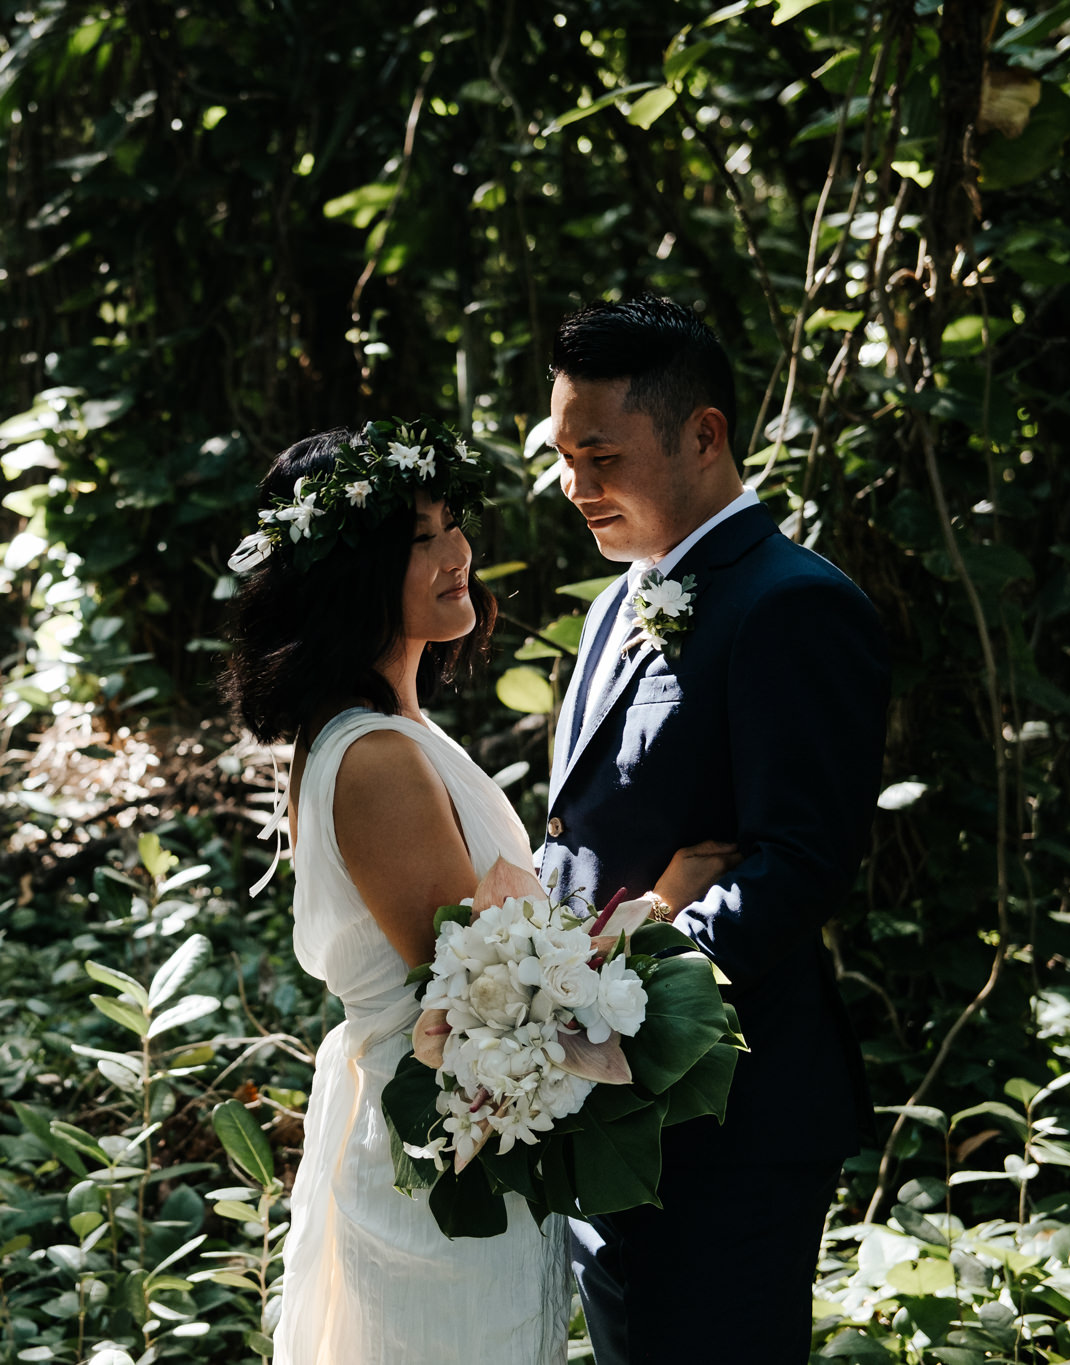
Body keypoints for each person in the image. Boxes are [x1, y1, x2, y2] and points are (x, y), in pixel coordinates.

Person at [223, 419, 741, 1365]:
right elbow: (491, 1009)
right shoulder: (376, 758)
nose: (460, 554)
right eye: (422, 538)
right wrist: (671, 893)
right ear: (353, 570)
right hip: (432, 1169)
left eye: (454, 524)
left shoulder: (395, 728)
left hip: (463, 1145)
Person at [539, 296, 890, 1365]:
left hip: (724, 1117)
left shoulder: (793, 604)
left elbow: (801, 859)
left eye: (597, 454)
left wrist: (622, 982)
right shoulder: (615, 600)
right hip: (603, 1105)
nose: (572, 486)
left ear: (702, 433)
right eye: (559, 455)